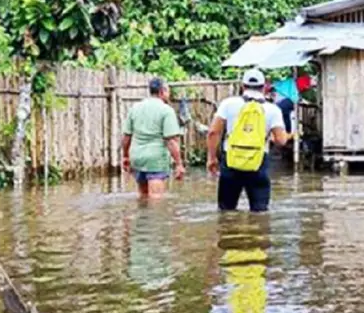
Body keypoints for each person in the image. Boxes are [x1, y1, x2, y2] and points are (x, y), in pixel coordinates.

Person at [206, 68, 291, 212]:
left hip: (231, 162)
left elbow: (213, 132)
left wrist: (212, 158)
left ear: (242, 86)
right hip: (258, 163)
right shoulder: (272, 109)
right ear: (264, 87)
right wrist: (288, 134)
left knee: (226, 212)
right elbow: (281, 141)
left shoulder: (228, 104)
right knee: (259, 213)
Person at [120, 77, 185, 200]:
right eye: (167, 91)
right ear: (162, 92)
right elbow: (171, 140)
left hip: (137, 157)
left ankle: (141, 219)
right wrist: (179, 164)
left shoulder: (135, 108)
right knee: (156, 199)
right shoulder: (166, 110)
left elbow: (126, 136)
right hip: (156, 160)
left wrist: (125, 156)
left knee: (143, 197)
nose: (169, 94)